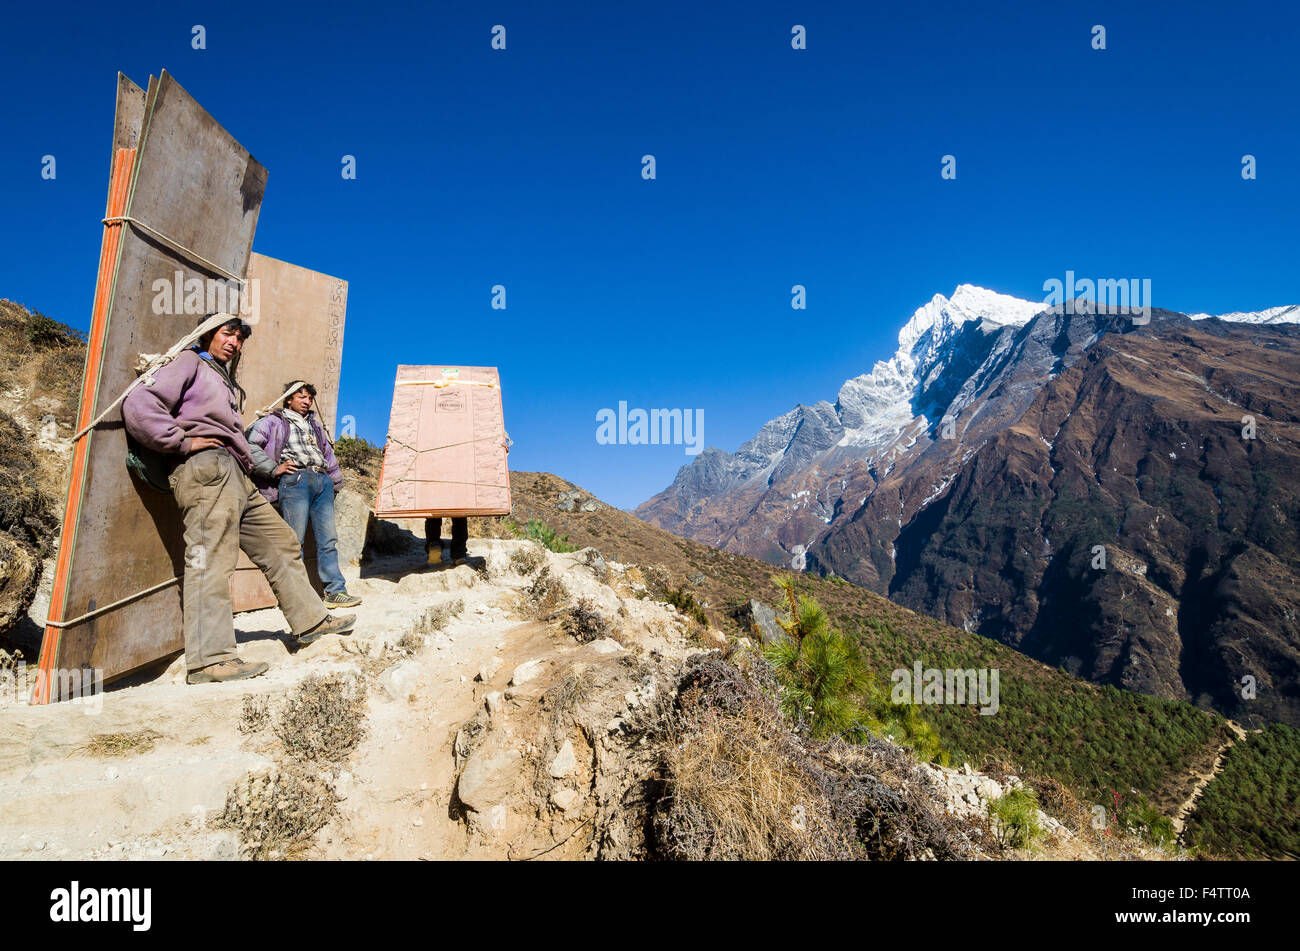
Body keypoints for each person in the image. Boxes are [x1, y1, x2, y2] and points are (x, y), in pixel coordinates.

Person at [122, 315, 356, 684]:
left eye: (240, 338)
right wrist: (181, 442)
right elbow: (140, 403)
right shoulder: (188, 361)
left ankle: (312, 622)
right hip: (205, 468)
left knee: (281, 544)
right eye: (227, 334)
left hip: (236, 474)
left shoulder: (222, 378)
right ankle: (210, 660)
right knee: (211, 557)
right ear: (207, 335)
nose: (234, 342)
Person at [247, 382, 361, 609]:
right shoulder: (273, 421)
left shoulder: (316, 426)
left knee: (328, 539)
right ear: (288, 399)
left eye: (309, 398)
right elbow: (250, 446)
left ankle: (334, 592)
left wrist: (334, 484)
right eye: (301, 397)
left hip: (321, 480)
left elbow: (328, 456)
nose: (306, 401)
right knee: (294, 541)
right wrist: (272, 468)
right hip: (295, 480)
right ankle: (298, 596)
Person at [423, 434, 511, 566]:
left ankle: (433, 544)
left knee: (434, 509)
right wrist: (496, 447)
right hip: (461, 468)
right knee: (460, 514)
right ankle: (458, 554)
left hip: (435, 465)